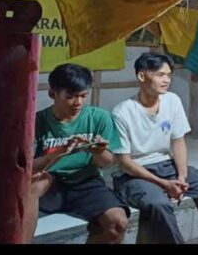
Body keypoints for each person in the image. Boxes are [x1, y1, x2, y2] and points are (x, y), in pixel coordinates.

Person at [111, 52, 198, 244]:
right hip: (133, 174)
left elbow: (178, 141)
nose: (166, 80)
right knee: (158, 204)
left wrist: (182, 177)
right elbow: (124, 162)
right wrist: (163, 184)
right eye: (160, 75)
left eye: (169, 75)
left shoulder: (172, 100)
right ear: (142, 76)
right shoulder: (122, 112)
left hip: (166, 166)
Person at [23, 63, 130, 243]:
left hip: (86, 181)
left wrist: (98, 151)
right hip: (50, 180)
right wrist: (57, 153)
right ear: (52, 94)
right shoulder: (36, 121)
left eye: (83, 96)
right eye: (70, 97)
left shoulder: (99, 118)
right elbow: (25, 169)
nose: (78, 102)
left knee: (118, 223)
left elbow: (107, 163)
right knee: (33, 187)